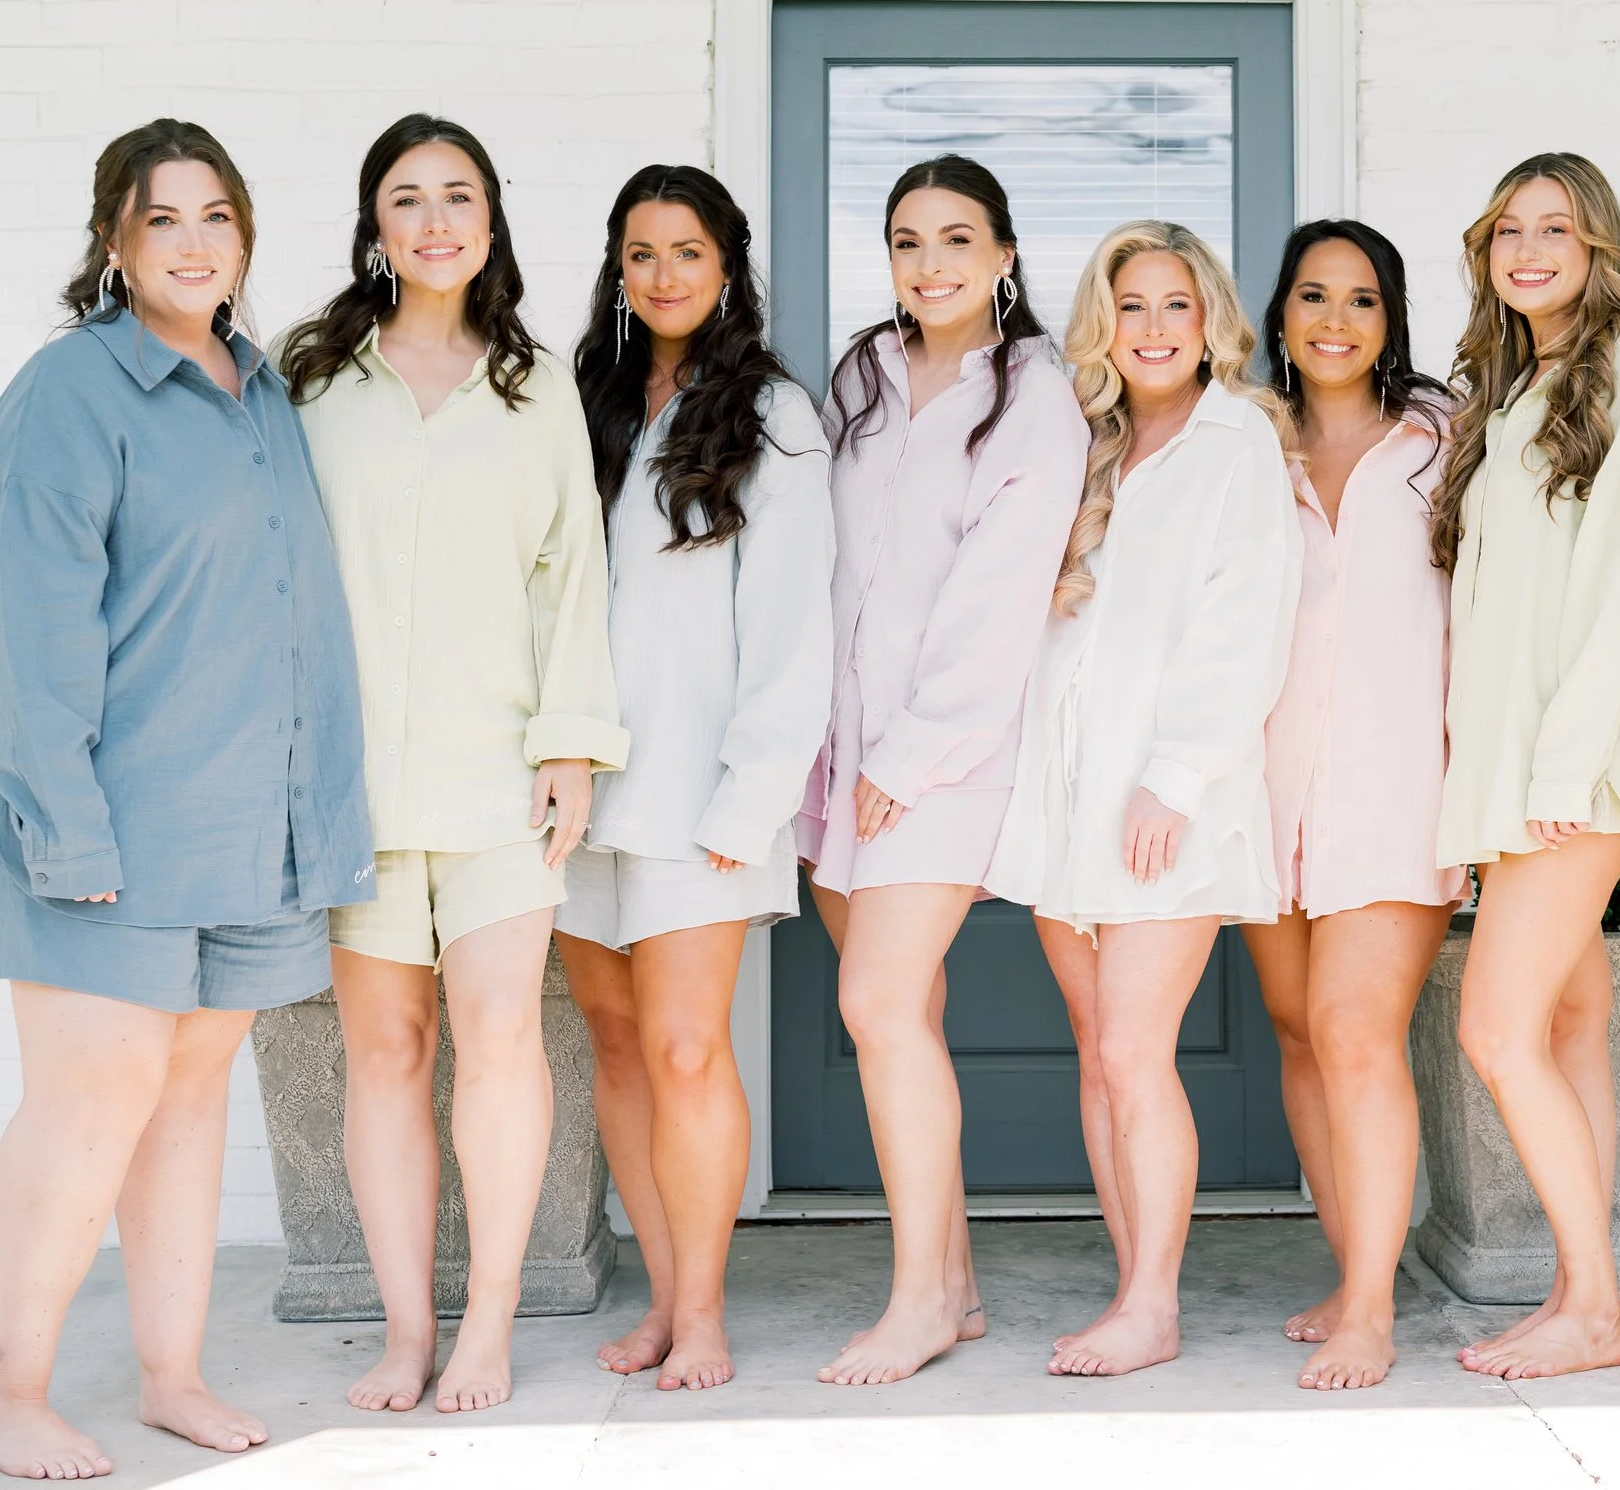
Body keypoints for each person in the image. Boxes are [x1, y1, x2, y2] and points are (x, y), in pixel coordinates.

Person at [0, 119, 375, 1479]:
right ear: (114, 244)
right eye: (163, 221)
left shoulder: (263, 391)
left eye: (217, 217)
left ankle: (169, 1374)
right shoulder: (67, 394)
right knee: (93, 1097)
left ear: (244, 237)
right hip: (101, 819)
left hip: (245, 826)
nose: (195, 242)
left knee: (192, 1100)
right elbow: (26, 632)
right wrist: (64, 830)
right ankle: (8, 1394)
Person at [280, 114, 628, 1415]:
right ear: (375, 225)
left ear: (490, 221)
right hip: (351, 775)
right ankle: (403, 1329)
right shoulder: (308, 377)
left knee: (499, 1039)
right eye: (408, 199)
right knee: (383, 1046)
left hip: (500, 771)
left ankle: (485, 1324)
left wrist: (572, 744)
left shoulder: (537, 391)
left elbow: (573, 574)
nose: (435, 221)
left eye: (459, 196)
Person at [988, 221, 1301, 1378]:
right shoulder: (1086, 442)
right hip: (1068, 796)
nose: (1155, 328)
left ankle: (1153, 1302)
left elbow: (1242, 624)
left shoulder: (1236, 447)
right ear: (1102, 322)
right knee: (1096, 1048)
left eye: (1176, 305)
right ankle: (1133, 1283)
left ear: (1209, 318)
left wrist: (1174, 775)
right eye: (1132, 307)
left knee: (1132, 1045)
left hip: (1169, 795)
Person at [798, 154, 1088, 1385]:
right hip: (837, 744)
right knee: (898, 1013)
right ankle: (954, 1280)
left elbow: (1000, 596)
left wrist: (910, 758)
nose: (932, 264)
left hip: (946, 754)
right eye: (909, 241)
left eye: (958, 239)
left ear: (1006, 255)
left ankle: (916, 1297)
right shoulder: (861, 374)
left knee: (875, 1002)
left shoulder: (1034, 393)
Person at [554, 165, 833, 1393]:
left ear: (730, 263)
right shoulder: (584, 400)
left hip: (703, 789)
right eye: (640, 254)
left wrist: (751, 794)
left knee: (682, 1048)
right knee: (615, 1045)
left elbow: (791, 628)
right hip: (580, 789)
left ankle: (706, 1310)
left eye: (687, 251)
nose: (662, 275)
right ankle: (664, 1296)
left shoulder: (772, 415)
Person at [1432, 153, 1620, 1381]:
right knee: (1571, 1020)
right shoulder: (1519, 381)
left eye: (1557, 227)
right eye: (1508, 230)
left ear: (1600, 246)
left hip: (1570, 775)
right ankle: (1577, 1287)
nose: (1528, 248)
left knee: (1495, 1026)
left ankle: (1595, 1308)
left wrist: (1557, 770)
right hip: (1517, 772)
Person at [1239, 219, 1463, 1391]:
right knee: (1296, 1033)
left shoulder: (1441, 443)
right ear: (1280, 314)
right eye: (1313, 296)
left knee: (1356, 1032)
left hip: (1396, 786)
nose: (1335, 319)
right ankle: (1348, 1265)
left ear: (1391, 319)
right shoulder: (1242, 446)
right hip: (1263, 790)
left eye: (1361, 299)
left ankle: (1373, 1308)